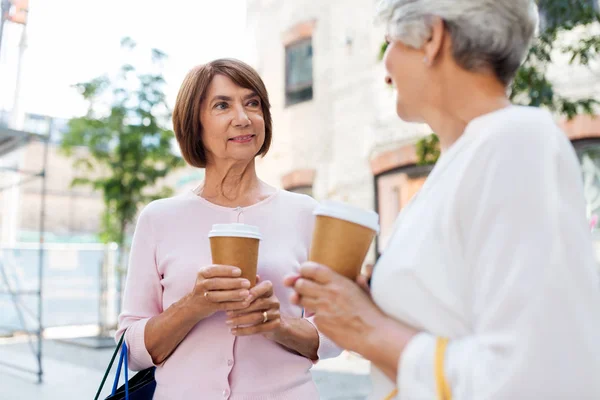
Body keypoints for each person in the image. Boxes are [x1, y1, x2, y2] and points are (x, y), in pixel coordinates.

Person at [286, 1, 600, 399]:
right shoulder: (463, 161)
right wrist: (361, 309)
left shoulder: (516, 140)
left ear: (432, 38)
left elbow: (534, 377)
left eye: (391, 43)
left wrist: (366, 329)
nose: (386, 68)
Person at [116, 58, 339, 399]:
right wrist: (193, 304)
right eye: (223, 105)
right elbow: (129, 351)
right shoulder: (159, 218)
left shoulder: (305, 213)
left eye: (252, 103)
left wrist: (278, 325)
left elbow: (335, 332)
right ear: (195, 124)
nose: (243, 117)